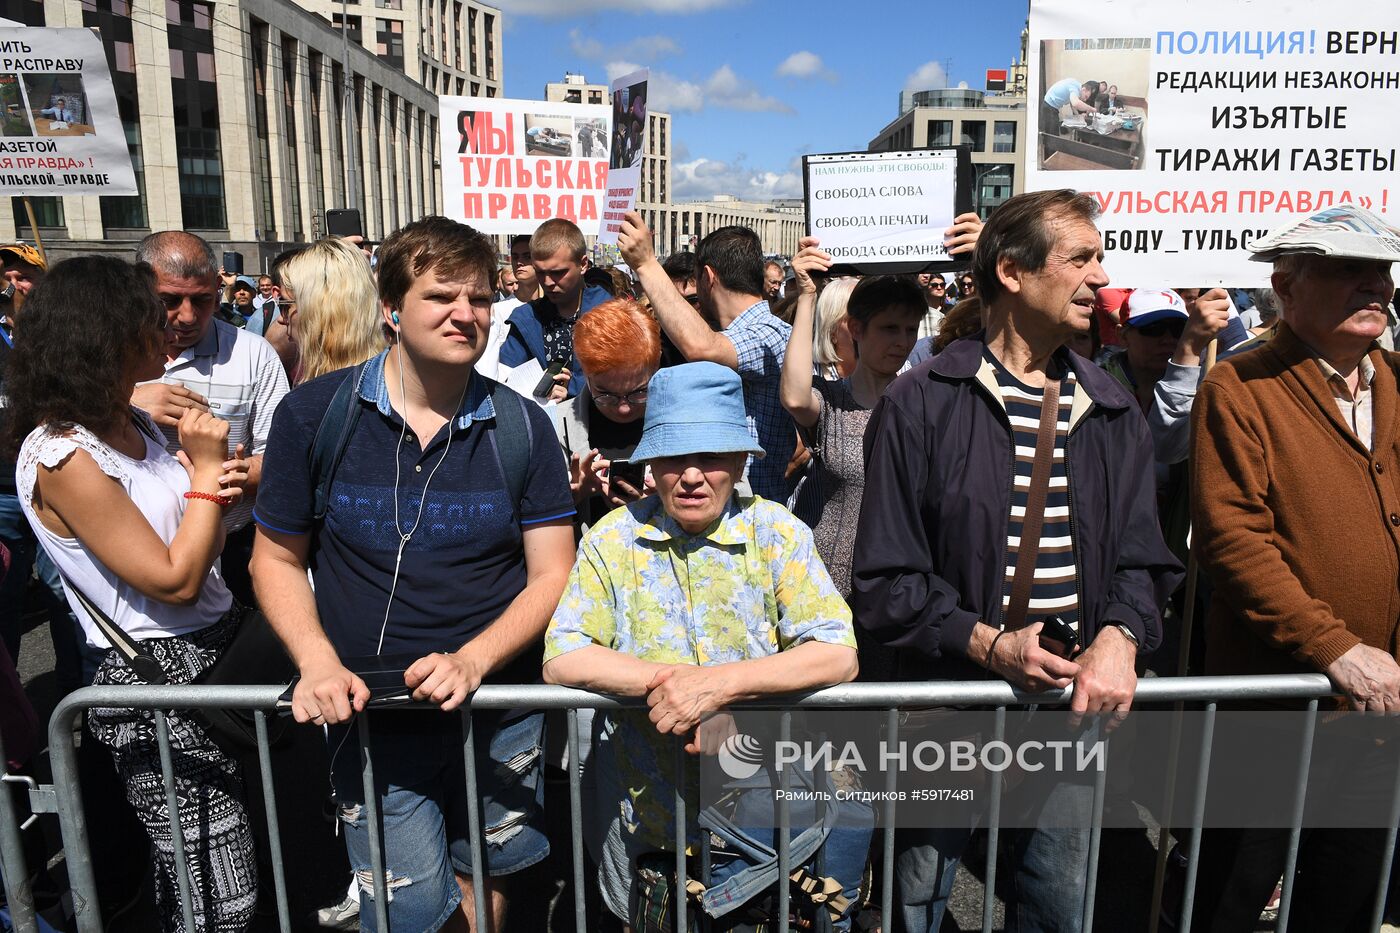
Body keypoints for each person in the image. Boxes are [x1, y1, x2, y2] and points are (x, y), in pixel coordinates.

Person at [852, 189, 1181, 933]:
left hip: (1069, 723)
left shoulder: (1114, 408)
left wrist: (1119, 640)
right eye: (1081, 258)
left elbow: (1141, 559)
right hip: (945, 720)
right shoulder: (921, 402)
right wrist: (992, 645)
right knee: (918, 905)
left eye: (1100, 258)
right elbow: (885, 577)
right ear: (1011, 271)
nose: (1101, 277)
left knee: (1058, 908)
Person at [251, 215, 576, 933]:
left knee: (483, 878)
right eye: (442, 296)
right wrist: (315, 662)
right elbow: (274, 557)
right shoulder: (314, 414)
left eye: (481, 298)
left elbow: (552, 572)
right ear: (392, 308)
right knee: (408, 911)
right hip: (370, 719)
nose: (466, 313)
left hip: (498, 714)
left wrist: (474, 659)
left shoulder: (525, 427)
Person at [542, 360, 862, 928]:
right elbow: (565, 653)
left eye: (711, 457)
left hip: (766, 820)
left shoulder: (778, 533)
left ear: (741, 461)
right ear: (649, 464)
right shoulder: (613, 541)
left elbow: (836, 650)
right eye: (672, 458)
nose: (692, 476)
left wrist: (720, 687)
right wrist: (676, 689)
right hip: (650, 822)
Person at [7, 256, 256, 932]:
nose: (168, 333)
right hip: (157, 684)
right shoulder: (62, 454)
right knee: (215, 895)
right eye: (149, 321)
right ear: (104, 336)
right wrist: (205, 467)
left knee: (227, 874)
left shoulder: (135, 423)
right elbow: (171, 578)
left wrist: (224, 480)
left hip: (220, 651)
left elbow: (198, 537)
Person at [1188, 215, 1400, 932]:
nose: (1376, 283)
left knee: (1348, 898)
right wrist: (1335, 649)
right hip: (1278, 714)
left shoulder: (1395, 382)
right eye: (1348, 269)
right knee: (1229, 897)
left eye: (1382, 270)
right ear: (1285, 286)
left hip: (1378, 720)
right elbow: (1234, 541)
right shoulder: (1240, 383)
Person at [131, 231, 287, 608]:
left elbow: (282, 457)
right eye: (168, 300)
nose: (186, 316)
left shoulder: (254, 355)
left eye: (201, 300)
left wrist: (230, 475)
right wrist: (125, 401)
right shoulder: (109, 352)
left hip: (232, 543)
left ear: (219, 290)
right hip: (134, 547)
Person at [781, 242, 924, 601]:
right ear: (856, 329)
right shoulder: (833, 402)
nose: (903, 341)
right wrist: (807, 296)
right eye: (890, 328)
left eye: (910, 329)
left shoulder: (924, 404)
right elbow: (796, 396)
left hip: (897, 588)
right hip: (826, 585)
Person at [619, 213, 796, 503]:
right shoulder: (761, 330)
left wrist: (645, 264)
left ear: (708, 277)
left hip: (752, 511)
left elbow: (702, 346)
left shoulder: (767, 331)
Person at [557, 297, 661, 528]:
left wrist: (666, 504)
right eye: (606, 394)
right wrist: (571, 499)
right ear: (584, 372)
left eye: (639, 392)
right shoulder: (554, 426)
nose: (623, 407)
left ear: (657, 364)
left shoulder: (689, 419)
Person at [498, 218, 610, 400]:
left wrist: (574, 389)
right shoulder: (527, 318)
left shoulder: (613, 314)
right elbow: (505, 376)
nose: (548, 282)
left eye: (558, 273)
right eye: (541, 272)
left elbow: (625, 376)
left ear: (583, 265)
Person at [279, 237, 384, 385]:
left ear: (318, 312)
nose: (280, 319)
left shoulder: (302, 403)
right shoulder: (401, 382)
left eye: (284, 306)